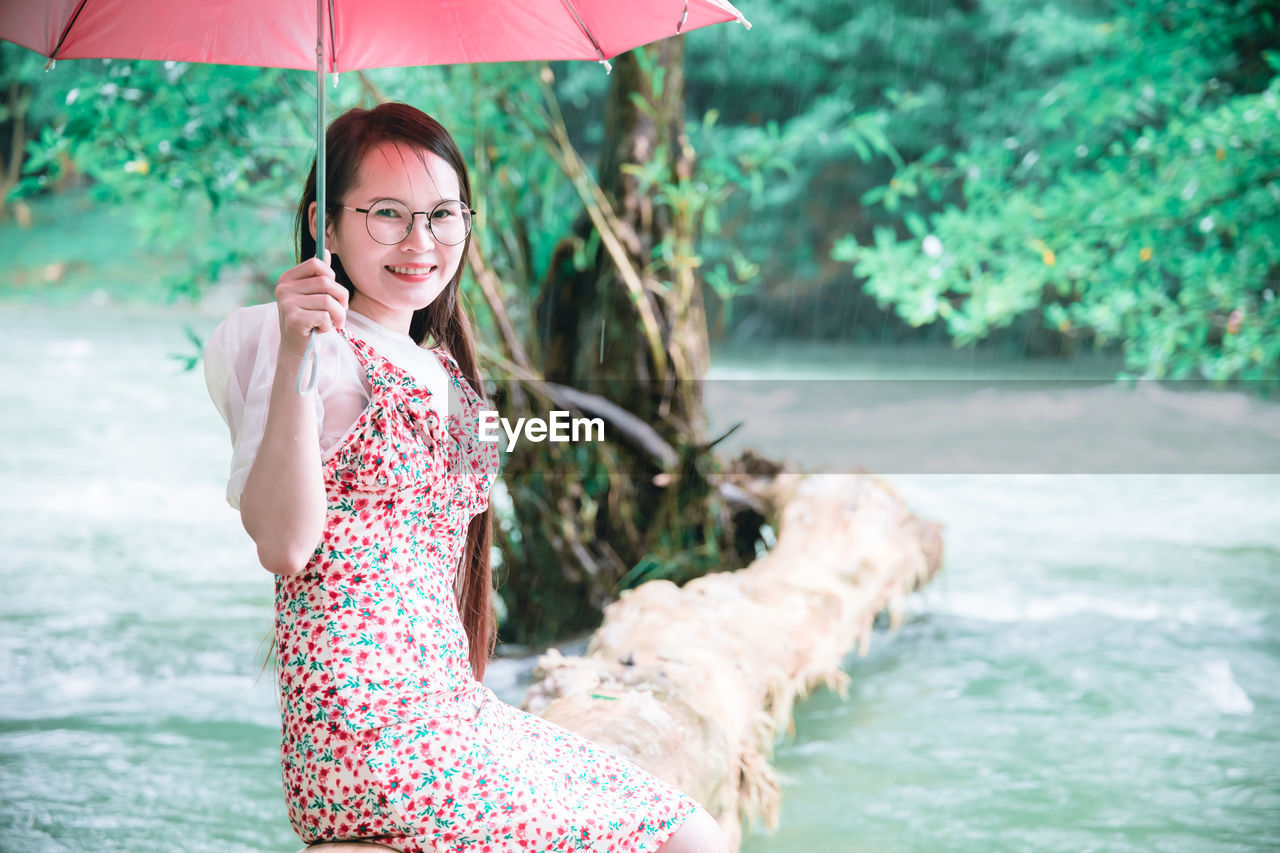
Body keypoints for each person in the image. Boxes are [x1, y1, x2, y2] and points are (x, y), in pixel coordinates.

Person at [203, 102, 729, 853]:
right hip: (368, 727)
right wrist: (294, 354)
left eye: (443, 215)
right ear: (325, 222)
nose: (421, 242)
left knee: (688, 830)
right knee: (689, 841)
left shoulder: (442, 365)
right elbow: (284, 545)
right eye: (387, 213)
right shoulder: (299, 343)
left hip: (445, 709)